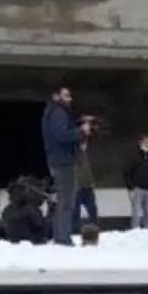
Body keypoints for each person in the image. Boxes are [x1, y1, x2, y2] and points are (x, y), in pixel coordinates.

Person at [42, 86, 88, 245]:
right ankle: (63, 238)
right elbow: (61, 135)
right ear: (56, 96)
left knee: (63, 201)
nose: (70, 98)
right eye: (66, 95)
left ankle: (59, 236)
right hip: (64, 162)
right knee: (66, 202)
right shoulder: (59, 112)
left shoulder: (52, 112)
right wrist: (81, 132)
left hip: (59, 161)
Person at [124, 135, 148, 229]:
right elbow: (127, 173)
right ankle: (135, 232)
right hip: (137, 188)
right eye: (146, 142)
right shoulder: (134, 156)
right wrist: (130, 188)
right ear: (140, 143)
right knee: (136, 214)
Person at [72, 140, 98, 233]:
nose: (84, 145)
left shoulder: (86, 155)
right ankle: (75, 230)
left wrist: (91, 182)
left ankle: (94, 228)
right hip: (77, 187)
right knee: (76, 211)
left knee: (92, 209)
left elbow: (88, 170)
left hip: (87, 186)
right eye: (82, 143)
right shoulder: (74, 155)